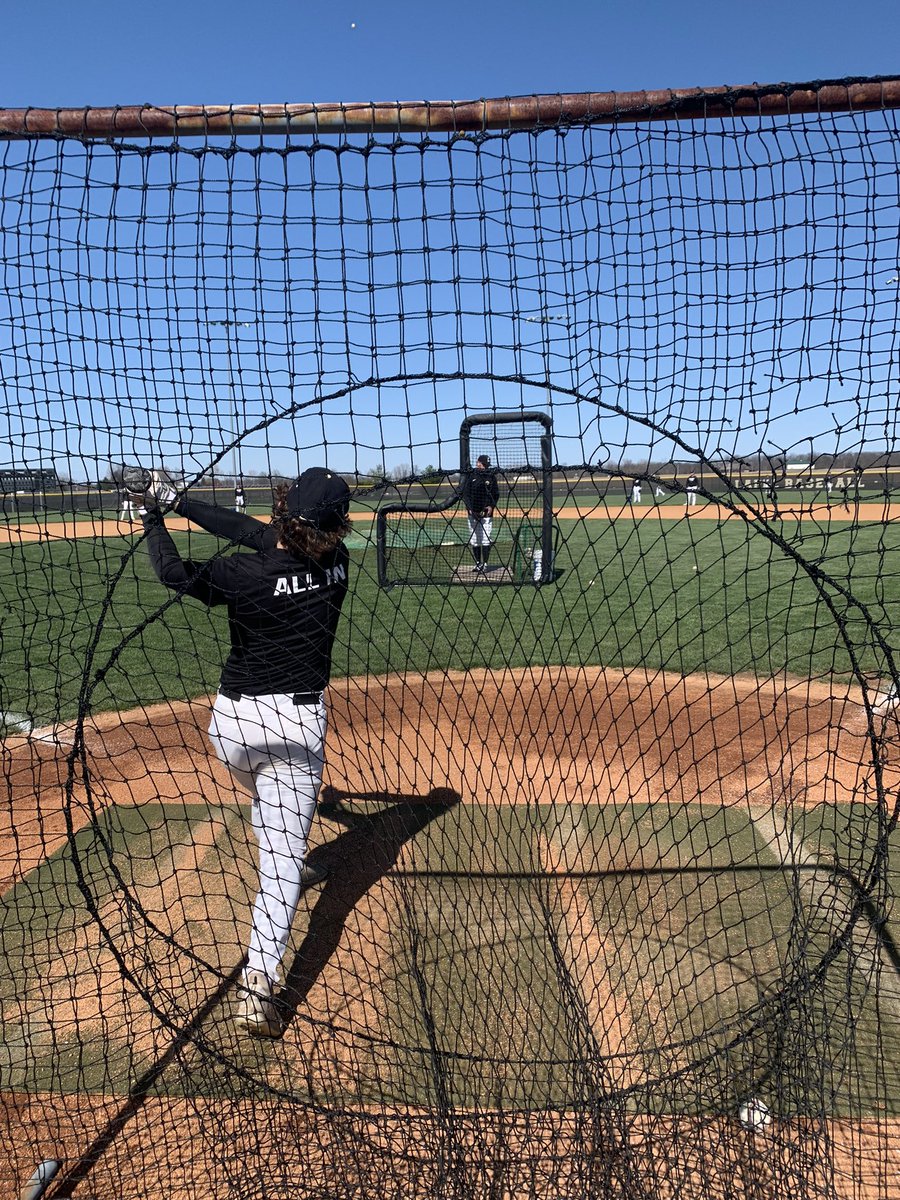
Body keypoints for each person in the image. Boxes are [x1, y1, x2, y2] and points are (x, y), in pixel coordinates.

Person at [129, 466, 351, 1038]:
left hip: (231, 728)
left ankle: (287, 845)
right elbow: (262, 535)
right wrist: (181, 501)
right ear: (332, 527)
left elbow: (177, 572)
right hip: (297, 726)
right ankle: (257, 990)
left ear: (281, 512)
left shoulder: (245, 572)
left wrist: (155, 513)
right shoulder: (338, 563)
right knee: (279, 869)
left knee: (267, 803)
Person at [464, 453, 499, 574]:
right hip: (472, 513)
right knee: (474, 540)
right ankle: (478, 563)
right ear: (478, 463)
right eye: (483, 464)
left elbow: (496, 494)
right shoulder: (471, 476)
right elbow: (466, 494)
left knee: (486, 539)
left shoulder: (491, 476)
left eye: (486, 465)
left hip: (486, 514)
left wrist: (491, 506)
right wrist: (468, 508)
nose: (484, 466)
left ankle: (485, 564)